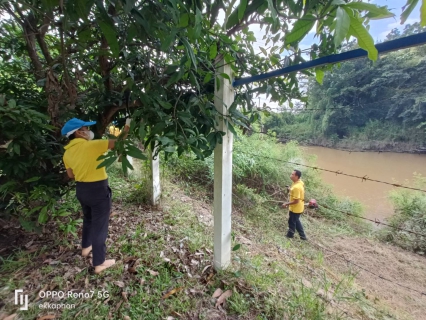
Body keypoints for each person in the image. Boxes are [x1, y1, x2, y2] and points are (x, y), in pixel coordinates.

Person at [61, 118, 131, 274]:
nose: (88, 131)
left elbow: (71, 174)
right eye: (86, 128)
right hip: (98, 191)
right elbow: (119, 142)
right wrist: (127, 126)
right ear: (79, 132)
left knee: (88, 219)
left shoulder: (67, 153)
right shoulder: (93, 145)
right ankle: (99, 263)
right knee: (100, 226)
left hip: (81, 190)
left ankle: (85, 248)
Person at [282, 169, 307, 240]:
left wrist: (286, 203)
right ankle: (303, 236)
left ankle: (290, 235)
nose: (291, 176)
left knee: (292, 221)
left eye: (292, 174)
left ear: (297, 176)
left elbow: (296, 201)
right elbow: (294, 190)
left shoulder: (296, 187)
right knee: (296, 221)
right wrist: (290, 189)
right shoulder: (298, 182)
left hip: (296, 208)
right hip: (298, 207)